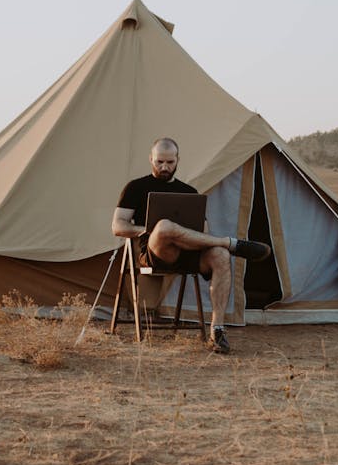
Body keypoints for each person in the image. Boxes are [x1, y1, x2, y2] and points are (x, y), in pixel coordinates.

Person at [111, 137, 271, 354]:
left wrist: (185, 236)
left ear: (178, 160)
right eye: (159, 162)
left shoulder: (189, 191)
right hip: (156, 251)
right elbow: (117, 226)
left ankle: (217, 329)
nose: (164, 167)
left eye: (169, 162)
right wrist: (151, 230)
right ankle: (231, 243)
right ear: (151, 159)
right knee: (165, 226)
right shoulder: (136, 187)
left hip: (188, 253)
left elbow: (202, 232)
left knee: (222, 256)